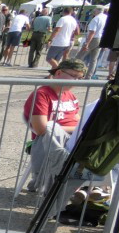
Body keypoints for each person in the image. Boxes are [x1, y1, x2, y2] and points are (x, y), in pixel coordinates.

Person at [23, 58, 86, 195]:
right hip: (48, 141)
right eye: (73, 76)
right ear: (58, 73)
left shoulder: (70, 95)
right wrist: (78, 129)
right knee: (52, 128)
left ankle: (90, 187)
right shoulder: (42, 94)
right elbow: (41, 129)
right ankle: (73, 184)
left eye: (79, 78)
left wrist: (81, 129)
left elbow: (79, 121)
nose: (76, 81)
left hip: (72, 139)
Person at [77, 6, 108, 78]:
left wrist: (86, 43)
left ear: (97, 11)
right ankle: (89, 76)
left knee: (80, 57)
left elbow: (92, 32)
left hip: (93, 38)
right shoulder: (106, 17)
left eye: (94, 11)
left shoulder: (96, 19)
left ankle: (76, 74)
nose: (94, 12)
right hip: (100, 38)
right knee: (94, 60)